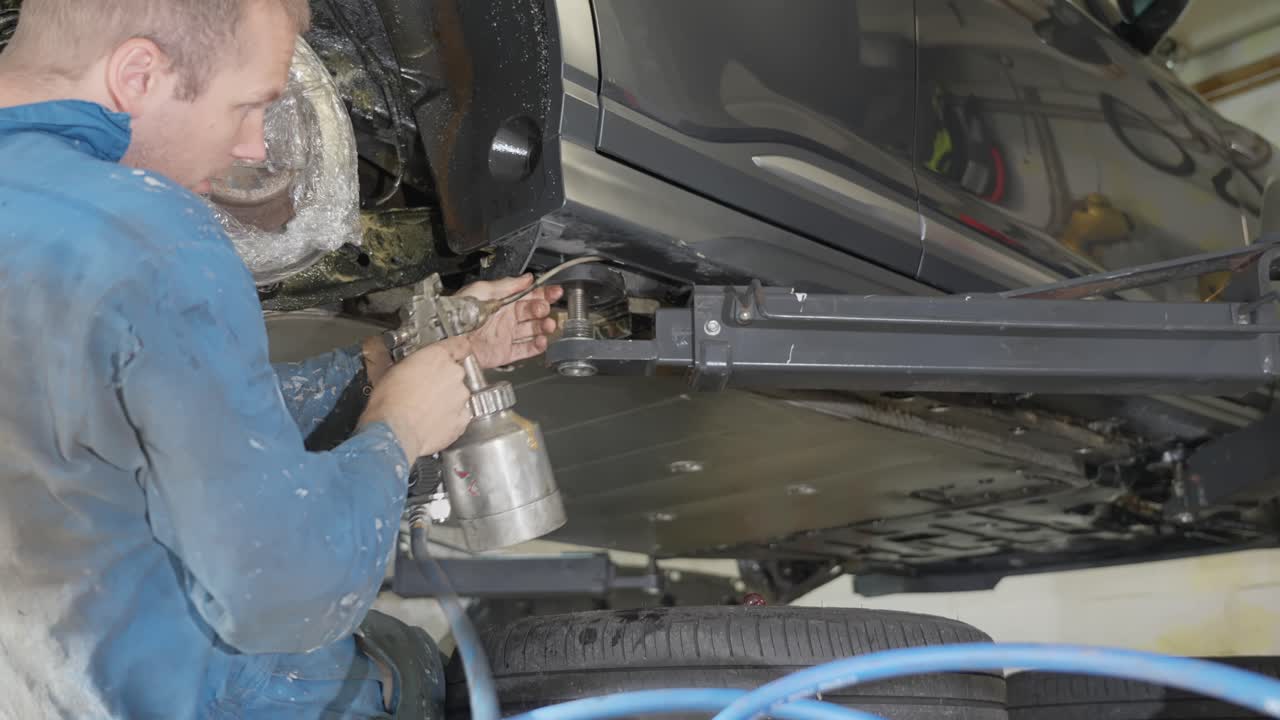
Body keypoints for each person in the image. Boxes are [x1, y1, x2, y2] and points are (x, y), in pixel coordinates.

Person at [0, 1, 562, 718]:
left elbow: (120, 421)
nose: (253, 146)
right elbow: (285, 592)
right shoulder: (153, 235)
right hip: (160, 698)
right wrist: (401, 432)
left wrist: (381, 363)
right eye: (248, 106)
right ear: (138, 72)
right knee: (414, 668)